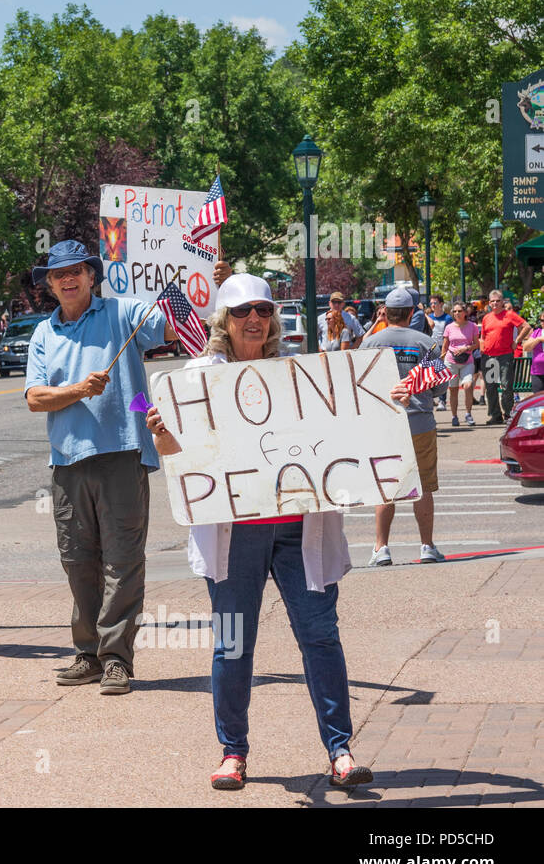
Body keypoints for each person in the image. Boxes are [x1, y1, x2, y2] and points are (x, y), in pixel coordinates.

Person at [145, 273, 373, 791]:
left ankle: (340, 750)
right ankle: (233, 752)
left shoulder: (296, 374)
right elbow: (179, 460)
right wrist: (160, 431)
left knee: (320, 638)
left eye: (265, 310)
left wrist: (382, 403)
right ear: (224, 319)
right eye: (244, 310)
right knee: (232, 644)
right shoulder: (198, 377)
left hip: (300, 532)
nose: (255, 319)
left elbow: (343, 431)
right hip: (234, 534)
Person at [24, 240, 179, 695]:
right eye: (58, 274)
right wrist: (77, 390)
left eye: (76, 271)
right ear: (50, 284)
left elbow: (169, 331)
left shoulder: (125, 312)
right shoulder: (43, 333)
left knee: (123, 562)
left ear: (93, 275)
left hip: (122, 454)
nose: (68, 279)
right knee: (77, 561)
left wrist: (193, 286)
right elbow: (35, 398)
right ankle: (87, 653)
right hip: (67, 461)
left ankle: (116, 659)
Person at [362, 287, 445, 565]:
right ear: (411, 313)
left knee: (387, 486)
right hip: (419, 421)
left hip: (384, 425)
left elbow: (359, 384)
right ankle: (427, 546)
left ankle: (381, 547)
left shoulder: (371, 343)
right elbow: (440, 385)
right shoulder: (426, 342)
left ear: (386, 312)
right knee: (423, 486)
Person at [479, 290, 528, 425]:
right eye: (492, 301)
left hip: (505, 356)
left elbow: (526, 326)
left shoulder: (509, 315)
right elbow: (482, 337)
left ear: (503, 302)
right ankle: (495, 416)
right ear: (489, 303)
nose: (495, 303)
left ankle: (508, 415)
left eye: (498, 301)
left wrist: (516, 341)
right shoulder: (486, 318)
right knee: (491, 387)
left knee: (506, 386)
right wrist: (482, 348)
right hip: (489, 357)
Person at [441, 302, 478, 426]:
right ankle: (454, 416)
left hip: (467, 360)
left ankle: (468, 414)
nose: (456, 313)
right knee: (453, 390)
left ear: (465, 313)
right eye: (455, 311)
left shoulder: (472, 326)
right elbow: (445, 345)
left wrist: (466, 348)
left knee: (468, 386)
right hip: (451, 361)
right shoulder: (449, 327)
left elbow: (477, 344)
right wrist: (441, 361)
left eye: (459, 311)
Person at [523, 310, 544, 395]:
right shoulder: (537, 332)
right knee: (538, 402)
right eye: (542, 320)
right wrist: (538, 339)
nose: (543, 322)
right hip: (537, 372)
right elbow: (526, 347)